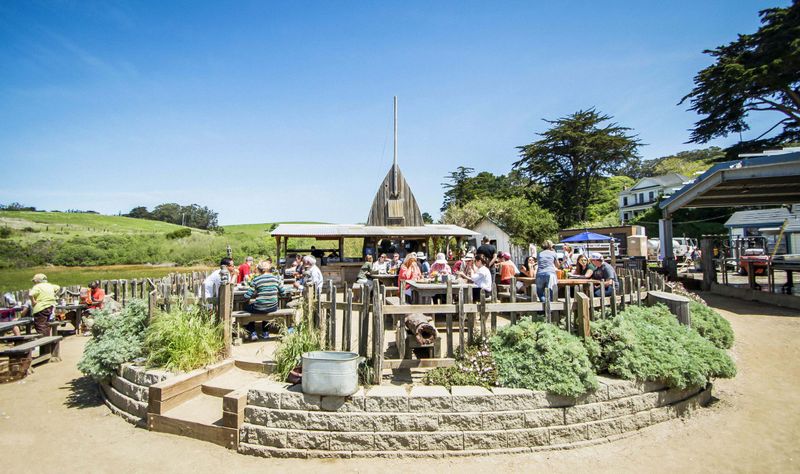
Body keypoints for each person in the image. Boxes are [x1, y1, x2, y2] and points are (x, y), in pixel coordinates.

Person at [242, 260, 287, 341]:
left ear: (259, 269)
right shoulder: (276, 278)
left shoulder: (256, 279)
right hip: (273, 307)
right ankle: (265, 332)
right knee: (266, 306)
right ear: (269, 269)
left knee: (246, 308)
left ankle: (253, 332)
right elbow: (283, 293)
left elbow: (247, 296)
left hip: (259, 307)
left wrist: (247, 296)